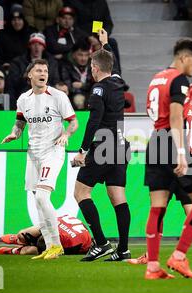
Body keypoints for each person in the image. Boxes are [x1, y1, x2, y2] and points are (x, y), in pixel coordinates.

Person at [143, 38, 192, 280]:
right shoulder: (179, 79)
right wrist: (181, 153)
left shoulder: (157, 78)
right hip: (174, 143)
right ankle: (179, 256)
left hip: (156, 142)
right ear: (183, 57)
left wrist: (189, 96)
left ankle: (152, 267)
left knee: (157, 209)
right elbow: (174, 118)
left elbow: (161, 111)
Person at [128, 81, 192, 266]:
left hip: (172, 157)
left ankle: (150, 255)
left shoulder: (177, 109)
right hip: (190, 159)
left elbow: (171, 126)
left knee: (158, 209)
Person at [1, 59, 78, 260]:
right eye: (39, 70)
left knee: (42, 197)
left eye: (45, 70)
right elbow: (19, 123)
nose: (43, 73)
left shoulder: (57, 96)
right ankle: (49, 246)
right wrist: (14, 133)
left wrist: (66, 135)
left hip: (53, 152)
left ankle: (56, 245)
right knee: (38, 202)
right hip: (33, 155)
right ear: (30, 75)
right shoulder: (23, 99)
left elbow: (74, 122)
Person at [72, 29, 132, 262]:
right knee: (118, 196)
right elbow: (112, 65)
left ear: (95, 68)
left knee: (81, 192)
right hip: (120, 146)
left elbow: (93, 121)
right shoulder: (117, 82)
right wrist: (105, 44)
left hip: (103, 147)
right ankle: (124, 249)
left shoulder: (98, 90)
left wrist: (82, 152)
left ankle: (101, 242)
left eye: (92, 67)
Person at [7, 32, 60, 108]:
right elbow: (12, 82)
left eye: (40, 44)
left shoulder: (52, 63)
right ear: (29, 46)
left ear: (43, 47)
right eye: (33, 44)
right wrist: (24, 77)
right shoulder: (18, 62)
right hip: (23, 94)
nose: (36, 47)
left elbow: (55, 81)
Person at [0, 215, 92, 256]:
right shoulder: (70, 241)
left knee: (33, 249)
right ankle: (19, 239)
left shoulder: (72, 244)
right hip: (60, 226)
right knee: (23, 235)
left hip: (67, 228)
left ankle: (15, 249)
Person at [60, 39, 94, 109]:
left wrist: (83, 85)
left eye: (86, 55)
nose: (84, 58)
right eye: (80, 55)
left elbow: (94, 85)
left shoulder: (93, 65)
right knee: (78, 99)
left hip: (90, 94)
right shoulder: (65, 65)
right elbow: (68, 86)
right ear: (73, 55)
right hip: (73, 95)